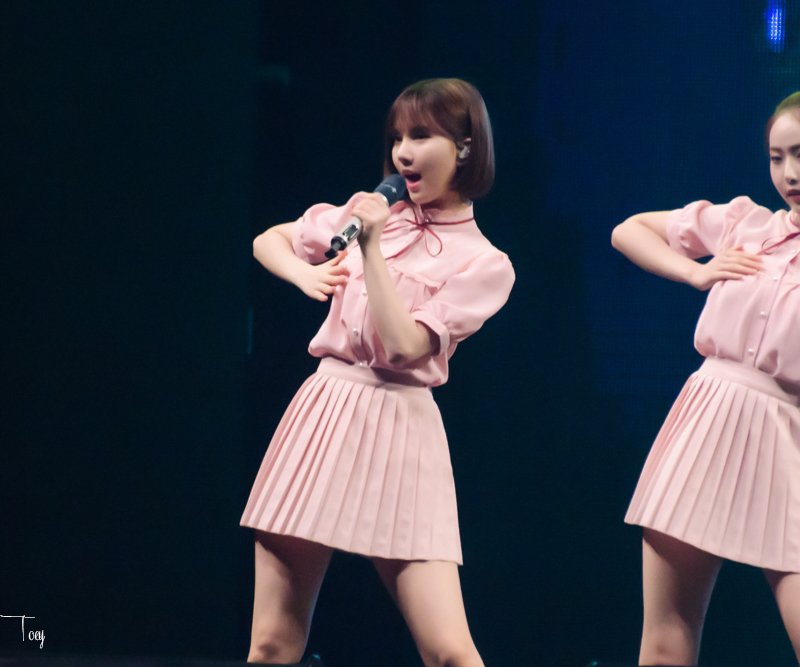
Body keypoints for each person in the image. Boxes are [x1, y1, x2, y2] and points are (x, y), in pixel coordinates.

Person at [241, 78, 514, 666]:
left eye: (420, 136)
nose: (402, 153)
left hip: (403, 431)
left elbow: (405, 345)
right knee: (272, 644)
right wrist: (305, 274)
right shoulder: (370, 212)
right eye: (396, 138)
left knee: (449, 651)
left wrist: (369, 247)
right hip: (326, 413)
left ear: (465, 146)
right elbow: (269, 240)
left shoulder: (486, 263)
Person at [611, 91, 800, 666]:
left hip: (788, 435)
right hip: (709, 420)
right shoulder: (746, 223)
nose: (789, 173)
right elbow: (629, 230)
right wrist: (694, 273)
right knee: (666, 641)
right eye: (777, 157)